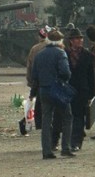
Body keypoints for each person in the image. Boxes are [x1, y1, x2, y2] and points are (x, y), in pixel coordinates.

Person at [31, 30, 75, 159]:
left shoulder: (39, 54)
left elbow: (34, 75)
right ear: (60, 41)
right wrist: (63, 81)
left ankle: (47, 150)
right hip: (58, 89)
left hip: (44, 89)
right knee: (67, 117)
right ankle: (65, 148)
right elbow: (66, 72)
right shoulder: (61, 53)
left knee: (46, 119)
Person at [65, 27, 94, 151]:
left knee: (79, 117)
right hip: (68, 89)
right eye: (77, 38)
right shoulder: (65, 54)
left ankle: (76, 142)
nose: (79, 40)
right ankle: (68, 141)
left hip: (82, 90)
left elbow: (91, 75)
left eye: (81, 38)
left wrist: (92, 94)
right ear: (71, 41)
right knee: (68, 117)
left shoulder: (88, 55)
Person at [26, 27, 51, 131]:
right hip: (52, 80)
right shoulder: (56, 47)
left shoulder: (35, 49)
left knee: (39, 103)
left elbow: (30, 66)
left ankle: (40, 124)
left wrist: (30, 81)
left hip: (39, 80)